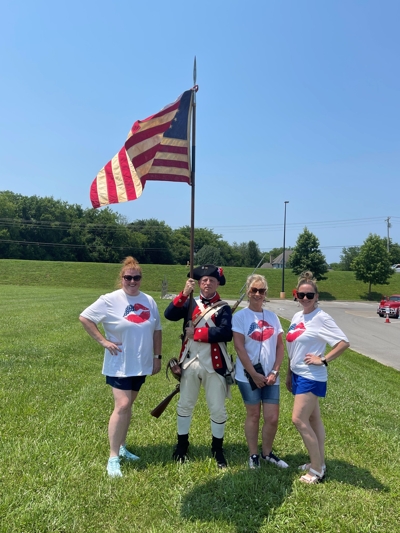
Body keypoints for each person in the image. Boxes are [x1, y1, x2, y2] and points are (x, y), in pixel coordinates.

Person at [79, 256, 162, 478]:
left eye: (136, 277)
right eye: (128, 277)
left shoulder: (149, 300)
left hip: (141, 363)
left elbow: (157, 330)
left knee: (128, 405)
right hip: (120, 363)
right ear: (122, 278)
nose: (132, 281)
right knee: (122, 405)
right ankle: (113, 457)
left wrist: (157, 357)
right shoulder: (109, 300)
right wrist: (103, 341)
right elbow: (85, 318)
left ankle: (122, 446)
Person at [164, 264, 233, 468]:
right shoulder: (190, 302)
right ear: (199, 283)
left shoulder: (223, 307)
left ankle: (217, 449)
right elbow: (169, 314)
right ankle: (182, 446)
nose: (207, 283)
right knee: (185, 405)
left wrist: (198, 334)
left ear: (218, 283)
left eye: (212, 280)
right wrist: (184, 293)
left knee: (217, 408)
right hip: (190, 362)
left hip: (214, 363)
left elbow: (226, 333)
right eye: (204, 280)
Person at [286, 271, 349, 484]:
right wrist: (289, 373)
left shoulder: (321, 317)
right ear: (296, 295)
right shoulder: (298, 316)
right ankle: (319, 460)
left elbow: (343, 342)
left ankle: (316, 470)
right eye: (301, 295)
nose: (305, 298)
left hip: (311, 376)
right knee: (313, 419)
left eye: (309, 295)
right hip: (297, 373)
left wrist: (323, 359)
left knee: (298, 419)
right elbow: (293, 346)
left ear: (316, 296)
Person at [232, 274, 288, 469]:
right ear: (248, 292)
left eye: (261, 291)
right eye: (254, 290)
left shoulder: (273, 317)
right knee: (254, 415)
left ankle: (267, 453)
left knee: (272, 418)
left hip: (271, 376)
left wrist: (275, 371)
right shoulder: (240, 317)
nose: (258, 294)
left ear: (266, 293)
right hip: (248, 376)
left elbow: (280, 346)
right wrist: (253, 374)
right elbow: (239, 347)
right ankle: (253, 454)